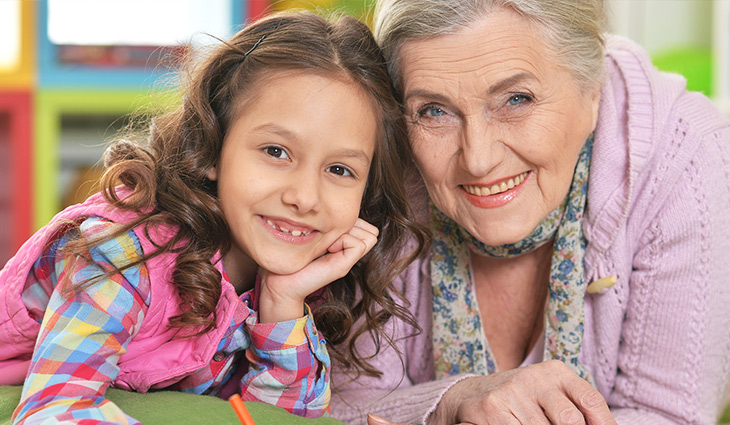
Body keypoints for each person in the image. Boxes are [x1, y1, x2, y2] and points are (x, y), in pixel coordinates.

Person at [328, 1, 730, 424]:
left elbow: (670, 416)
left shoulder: (683, 153)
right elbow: (334, 407)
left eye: (516, 99)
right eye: (434, 111)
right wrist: (452, 402)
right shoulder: (378, 161)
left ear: (592, 90)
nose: (478, 159)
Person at [0, 11, 427, 424]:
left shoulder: (280, 284)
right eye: (276, 152)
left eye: (340, 170)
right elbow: (54, 411)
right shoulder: (123, 251)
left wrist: (282, 301)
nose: (304, 197)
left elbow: (274, 421)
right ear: (209, 150)